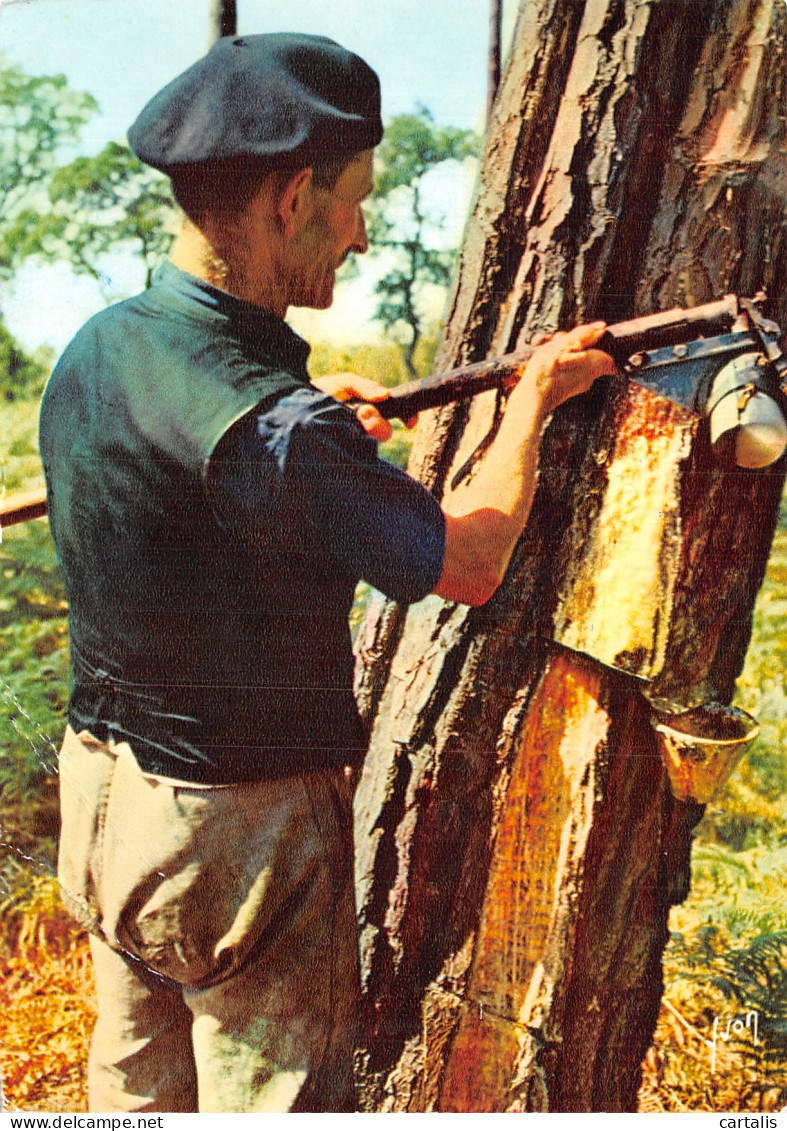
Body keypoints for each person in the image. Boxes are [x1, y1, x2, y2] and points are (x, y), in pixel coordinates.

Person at [39, 32, 616, 1114]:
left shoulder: (100, 348)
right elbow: (468, 562)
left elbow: (193, 493)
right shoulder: (281, 433)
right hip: (237, 836)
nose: (358, 234)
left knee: (131, 1098)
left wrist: (308, 433)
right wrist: (532, 400)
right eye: (354, 200)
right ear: (292, 195)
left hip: (101, 804)